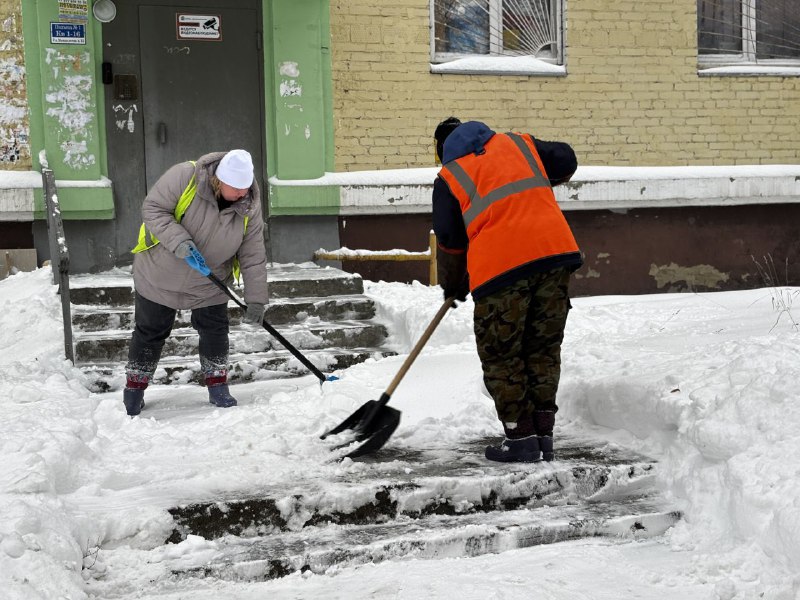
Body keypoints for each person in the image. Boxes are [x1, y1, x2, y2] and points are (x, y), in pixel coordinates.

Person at [432, 118, 582, 462]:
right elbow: (565, 159)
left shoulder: (451, 176)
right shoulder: (518, 144)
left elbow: (451, 241)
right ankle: (543, 435)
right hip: (555, 256)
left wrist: (453, 287)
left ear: (442, 150)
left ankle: (520, 439)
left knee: (502, 352)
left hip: (502, 271)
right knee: (542, 348)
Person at [122, 149, 269, 416]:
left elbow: (253, 253)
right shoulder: (185, 177)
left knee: (215, 332)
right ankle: (134, 389)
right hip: (160, 275)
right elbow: (153, 208)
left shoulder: (249, 206)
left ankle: (217, 386)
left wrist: (256, 298)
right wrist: (178, 239)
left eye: (245, 188)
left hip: (209, 283)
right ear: (218, 180)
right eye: (235, 188)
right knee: (150, 332)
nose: (241, 194)